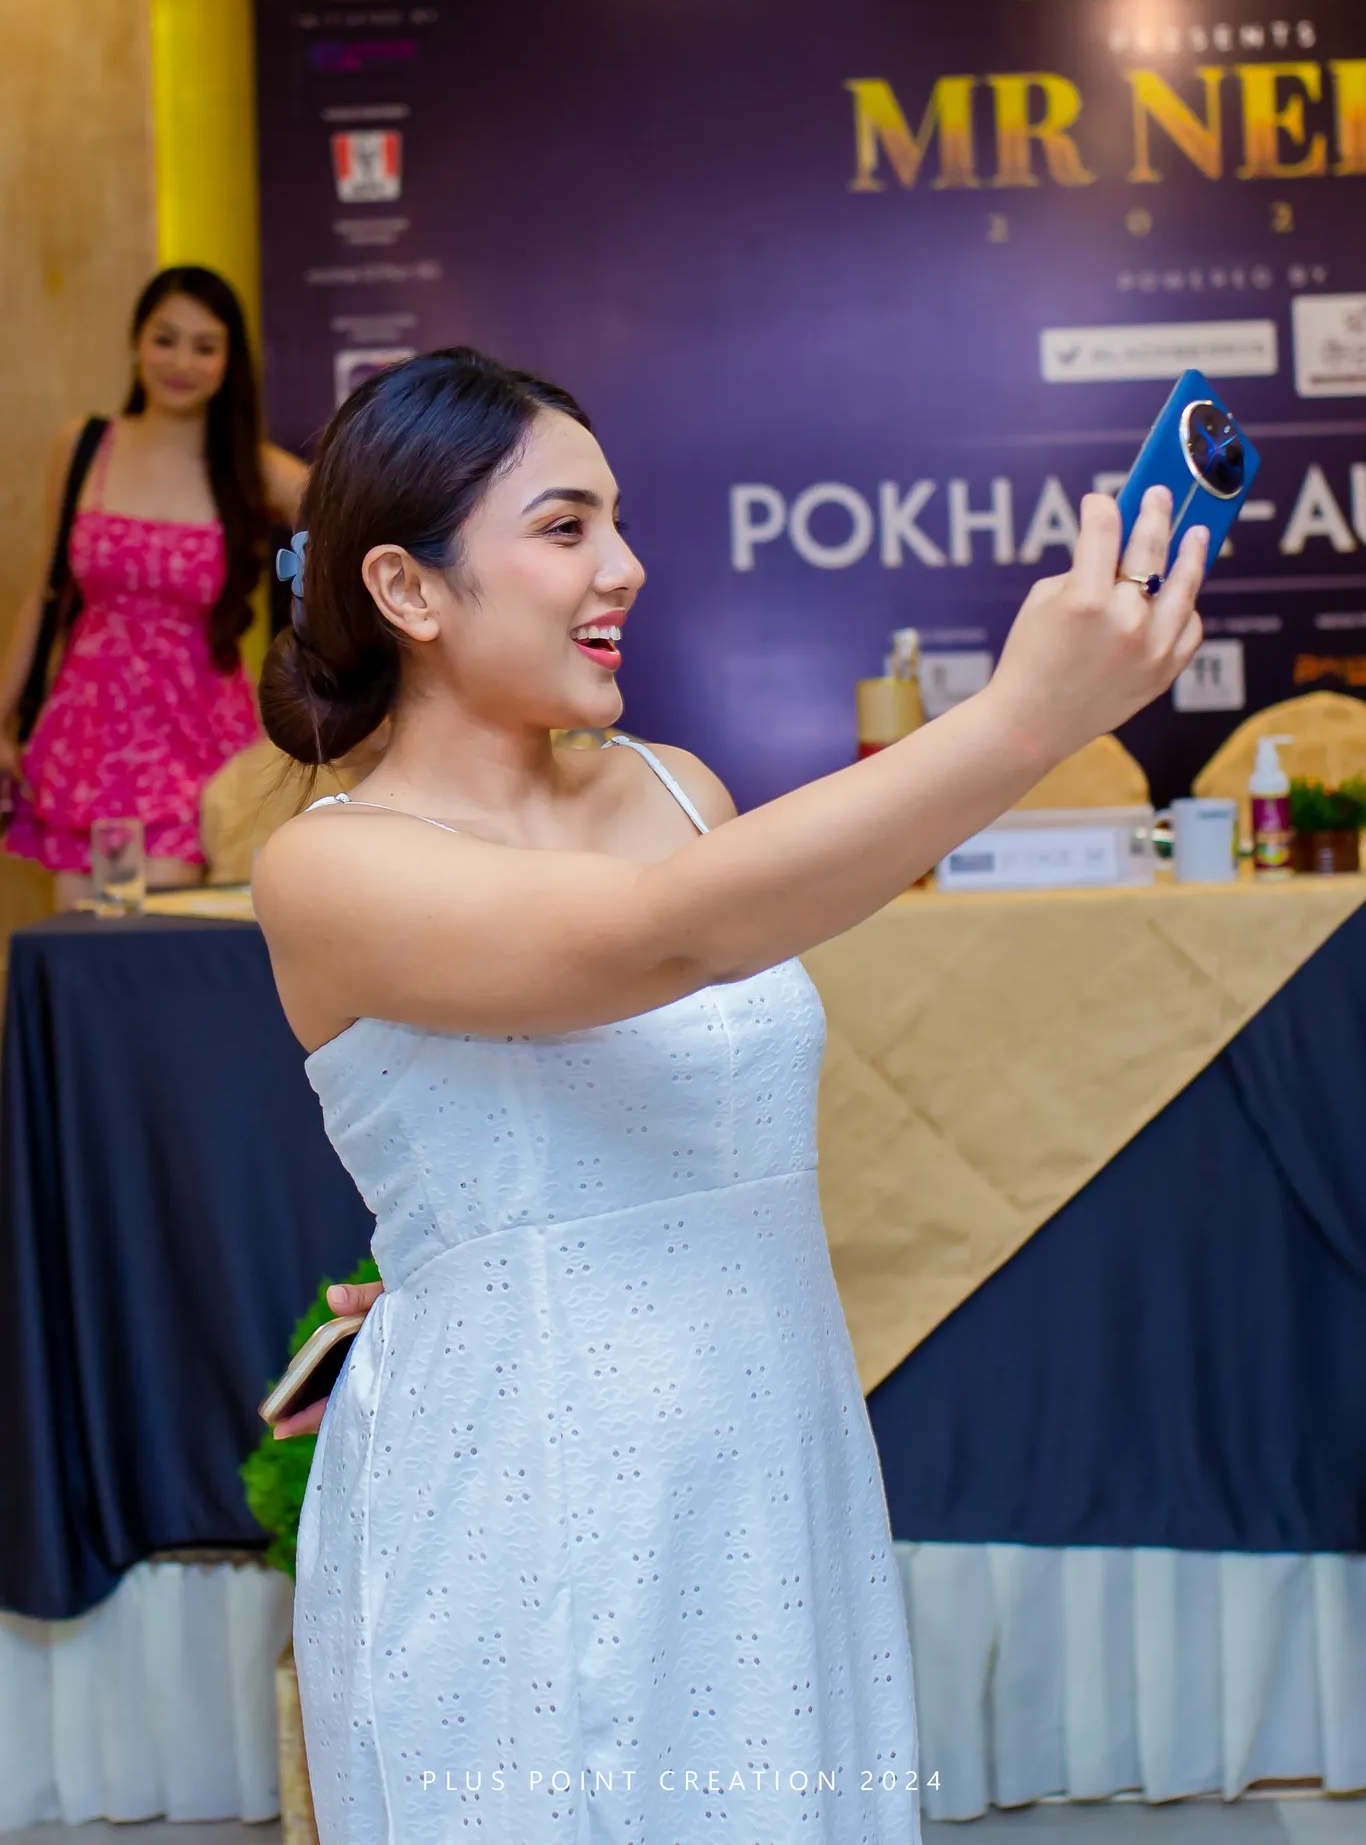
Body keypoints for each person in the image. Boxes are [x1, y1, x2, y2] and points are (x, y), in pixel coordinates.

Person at [251, 346, 1206, 1845]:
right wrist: (1025, 719)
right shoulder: (326, 865)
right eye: (564, 526)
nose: (624, 565)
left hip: (768, 1460)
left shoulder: (678, 788)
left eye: (617, 520)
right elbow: (662, 937)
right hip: (530, 1491)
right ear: (408, 588)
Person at [0, 266, 308, 908]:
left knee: (161, 935)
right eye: (165, 339)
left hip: (193, 739)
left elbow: (359, 516)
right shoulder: (84, 446)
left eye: (205, 346)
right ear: (137, 341)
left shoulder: (251, 469)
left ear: (229, 361)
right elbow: (47, 592)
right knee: (81, 941)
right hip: (84, 737)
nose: (181, 363)